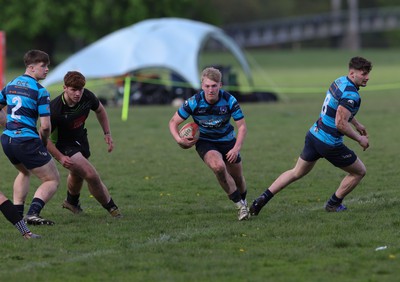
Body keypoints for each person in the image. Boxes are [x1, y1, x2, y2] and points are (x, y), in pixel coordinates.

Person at [250, 56, 373, 216]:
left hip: (314, 135)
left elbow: (337, 109)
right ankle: (333, 204)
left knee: (296, 172)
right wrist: (359, 138)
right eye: (363, 74)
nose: (367, 77)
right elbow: (341, 123)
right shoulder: (351, 94)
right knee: (359, 171)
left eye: (368, 74)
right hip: (329, 143)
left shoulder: (340, 81)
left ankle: (262, 199)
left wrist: (357, 124)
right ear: (352, 73)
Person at [169, 67, 249, 221]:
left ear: (220, 85)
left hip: (228, 141)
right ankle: (240, 205)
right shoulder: (194, 102)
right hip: (206, 142)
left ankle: (244, 201)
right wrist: (179, 140)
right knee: (218, 167)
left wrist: (236, 148)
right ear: (202, 85)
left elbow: (242, 127)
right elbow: (173, 123)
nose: (210, 89)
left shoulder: (230, 100)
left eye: (214, 86)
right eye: (207, 86)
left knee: (238, 177)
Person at [46, 71, 122, 218]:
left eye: (80, 89)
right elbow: (44, 139)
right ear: (65, 88)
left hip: (80, 138)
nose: (78, 93)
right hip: (62, 144)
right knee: (90, 175)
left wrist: (107, 133)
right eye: (73, 90)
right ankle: (113, 209)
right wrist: (60, 157)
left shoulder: (87, 96)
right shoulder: (55, 110)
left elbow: (100, 110)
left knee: (77, 173)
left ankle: (71, 202)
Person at [0, 50, 60, 225]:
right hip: (26, 141)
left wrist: (7, 124)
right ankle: (32, 214)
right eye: (43, 66)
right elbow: (46, 126)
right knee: (52, 179)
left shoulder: (11, 84)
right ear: (31, 67)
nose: (47, 69)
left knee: (24, 171)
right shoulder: (41, 91)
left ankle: (17, 214)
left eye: (47, 65)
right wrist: (42, 141)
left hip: (7, 140)